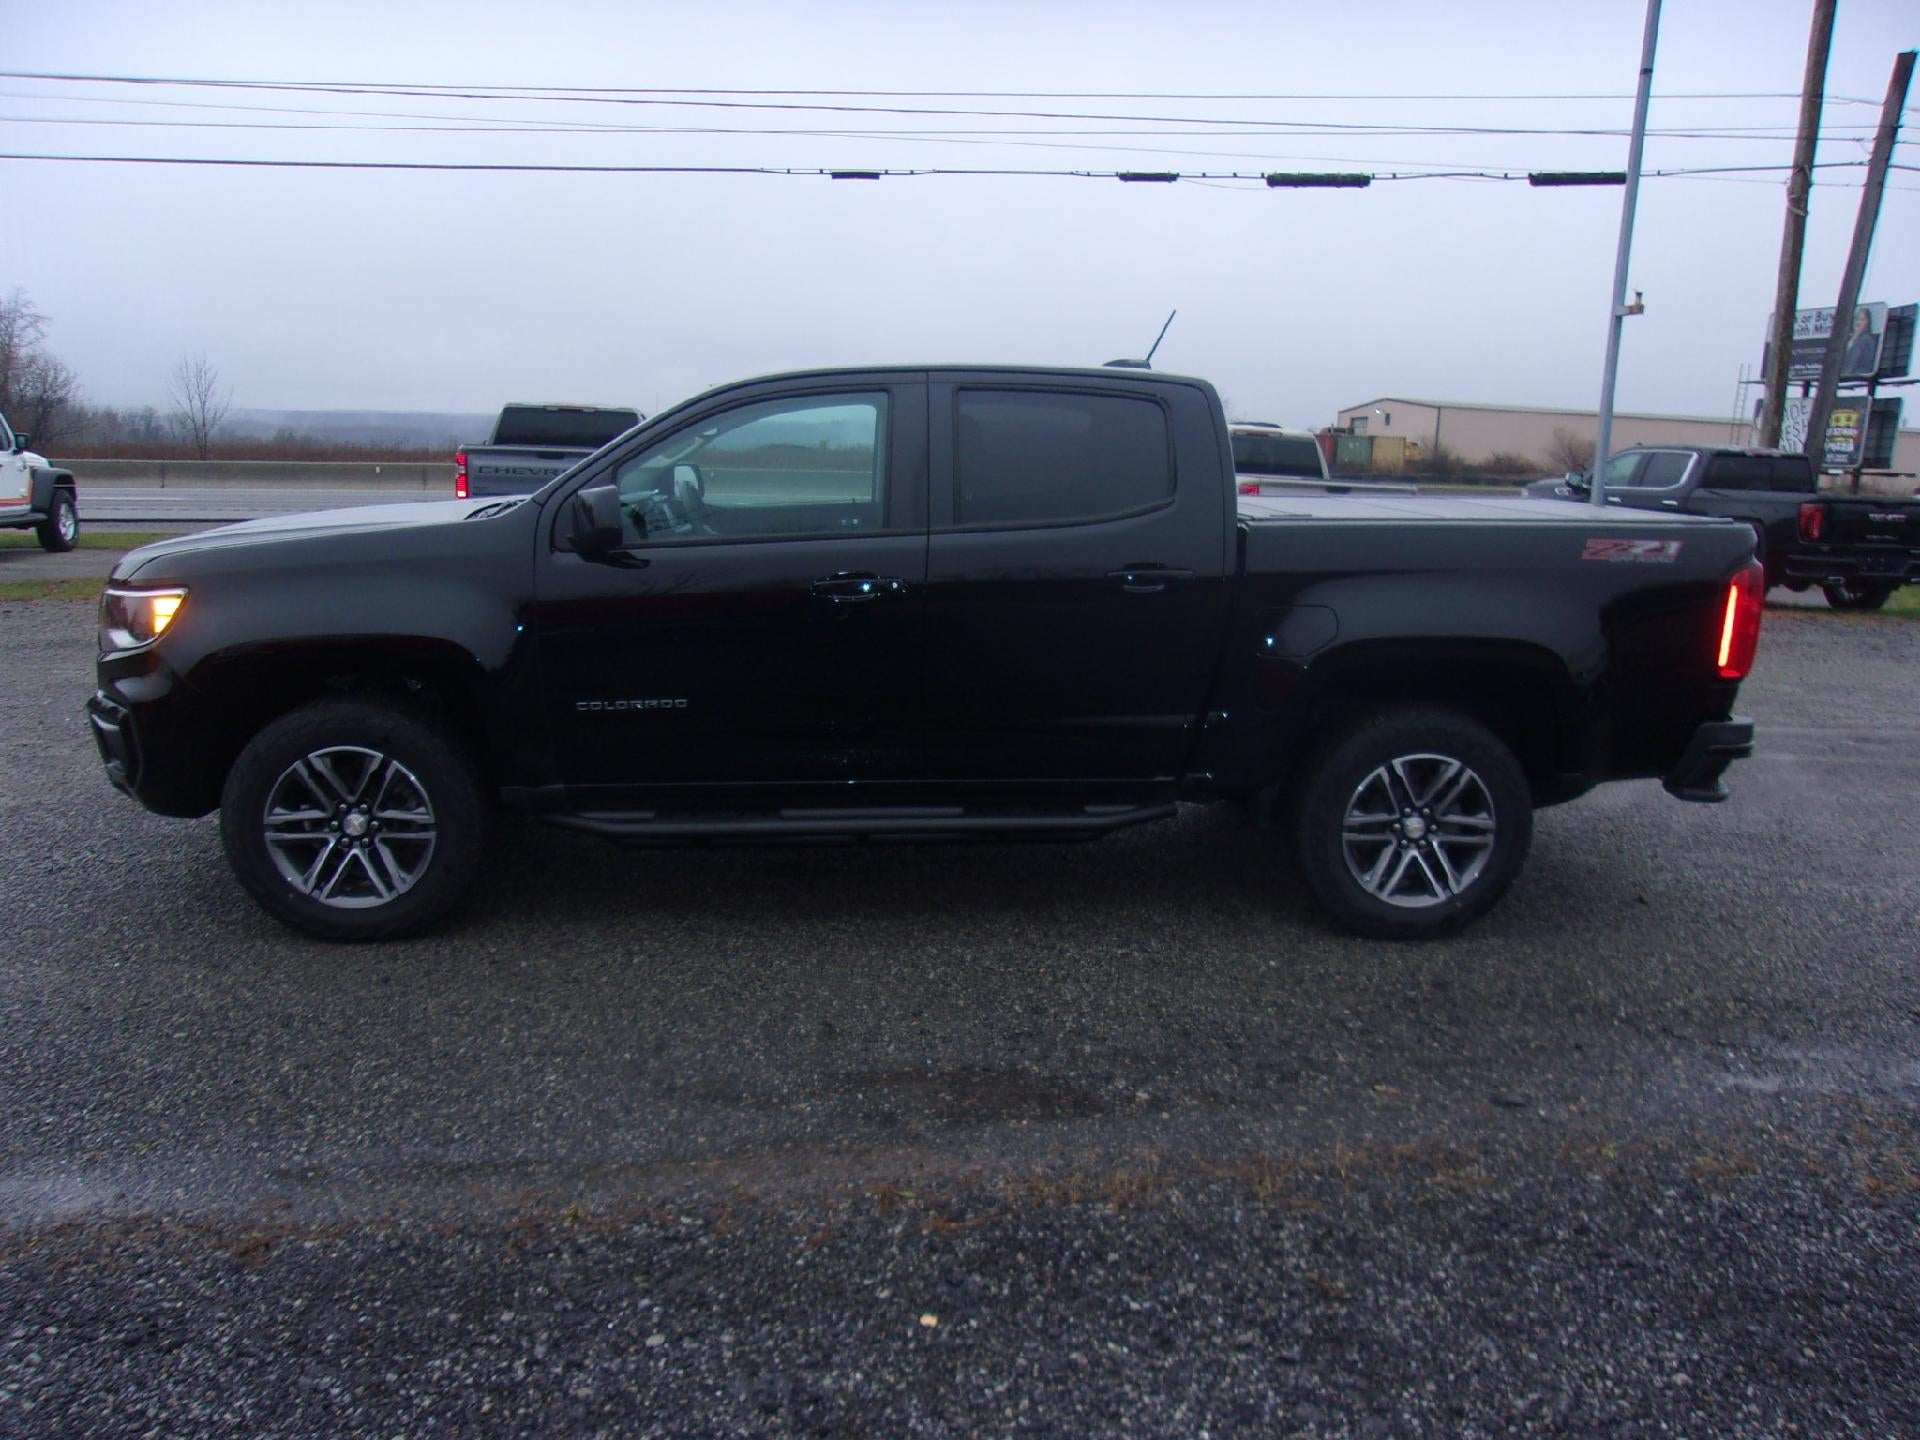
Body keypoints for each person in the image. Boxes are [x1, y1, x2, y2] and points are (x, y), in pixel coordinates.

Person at [1842, 307, 1880, 378]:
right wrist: (1854, 338)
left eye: (1862, 319)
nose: (1858, 322)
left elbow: (1854, 360)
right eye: (1856, 319)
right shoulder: (1849, 339)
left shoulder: (1867, 339)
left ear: (1867, 322)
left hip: (1858, 375)